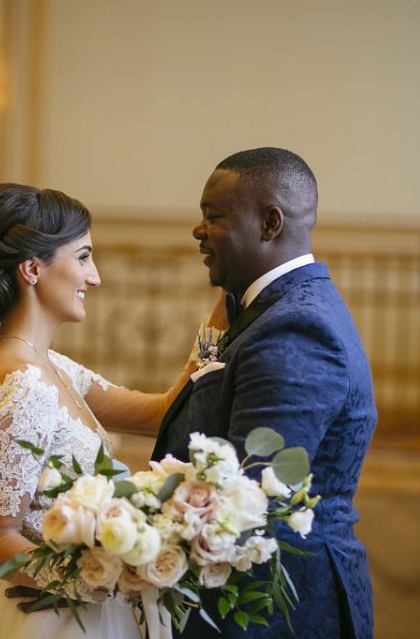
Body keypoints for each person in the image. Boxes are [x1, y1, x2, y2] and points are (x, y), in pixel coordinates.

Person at [0, 183, 219, 638]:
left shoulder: (53, 368)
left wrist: (223, 305)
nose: (95, 277)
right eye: (83, 257)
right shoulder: (19, 386)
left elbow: (162, 412)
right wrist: (101, 577)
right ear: (32, 269)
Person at [152, 147, 378, 638]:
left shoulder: (296, 329)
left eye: (213, 216)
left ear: (270, 223)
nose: (197, 230)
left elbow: (248, 495)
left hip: (278, 612)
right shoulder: (267, 310)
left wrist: (116, 538)